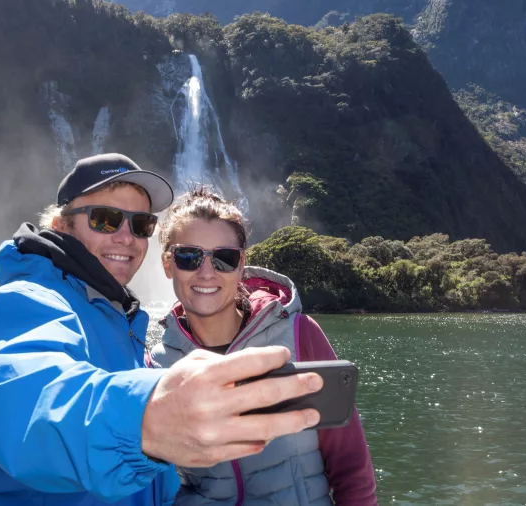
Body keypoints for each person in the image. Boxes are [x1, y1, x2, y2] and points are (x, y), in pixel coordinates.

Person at [0, 154, 326, 506]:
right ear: (62, 225)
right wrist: (148, 420)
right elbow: (21, 395)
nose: (126, 237)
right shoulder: (30, 299)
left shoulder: (122, 326)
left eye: (141, 224)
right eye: (105, 220)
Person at [148, 185, 378, 505]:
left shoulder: (298, 334)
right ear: (168, 264)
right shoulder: (156, 365)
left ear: (242, 264)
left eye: (224, 259)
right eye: (189, 256)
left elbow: (351, 466)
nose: (206, 272)